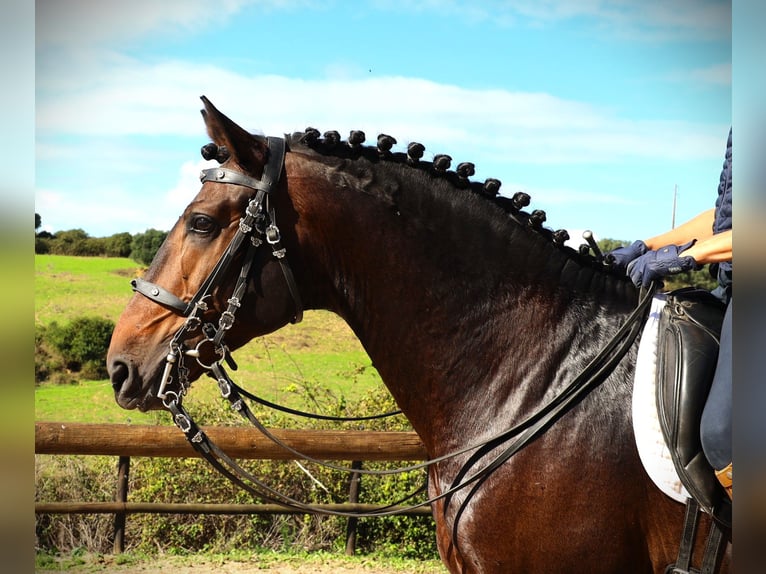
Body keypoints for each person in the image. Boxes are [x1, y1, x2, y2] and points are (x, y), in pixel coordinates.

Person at [608, 128, 732, 500]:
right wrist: (648, 244)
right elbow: (724, 220)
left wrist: (689, 256)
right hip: (729, 286)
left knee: (723, 434)